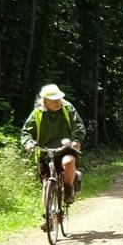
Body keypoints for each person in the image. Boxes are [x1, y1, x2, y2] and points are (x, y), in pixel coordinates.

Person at [21, 83, 85, 229]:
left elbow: (78, 126)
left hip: (65, 148)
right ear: (45, 101)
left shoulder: (67, 108)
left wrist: (76, 140)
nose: (57, 102)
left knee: (68, 162)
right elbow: (26, 132)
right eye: (53, 100)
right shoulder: (37, 113)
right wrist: (28, 143)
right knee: (46, 184)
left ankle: (69, 189)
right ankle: (49, 216)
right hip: (44, 151)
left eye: (58, 99)